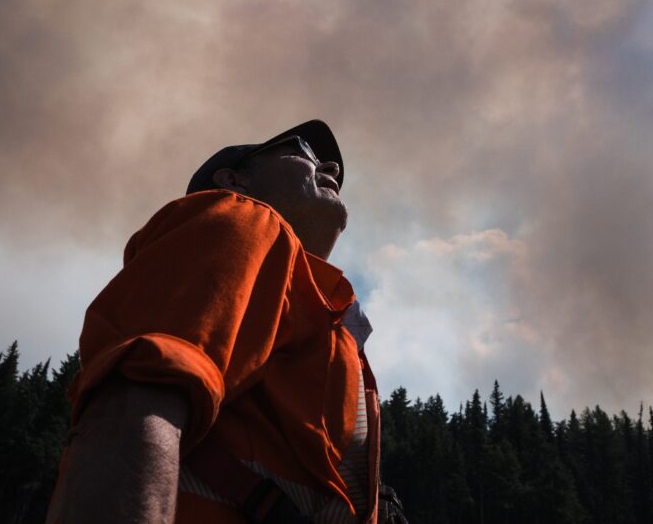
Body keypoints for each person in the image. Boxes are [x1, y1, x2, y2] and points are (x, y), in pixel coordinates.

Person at [46, 120, 403, 523]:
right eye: (302, 149)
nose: (332, 169)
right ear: (235, 181)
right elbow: (138, 396)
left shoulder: (323, 312)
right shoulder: (240, 219)